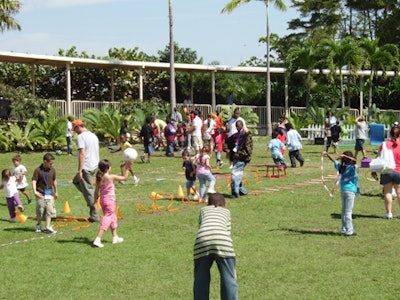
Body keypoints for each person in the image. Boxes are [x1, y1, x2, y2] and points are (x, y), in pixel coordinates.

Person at [193, 192, 238, 300]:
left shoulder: (203, 210)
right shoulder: (226, 212)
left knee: (201, 280)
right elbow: (227, 232)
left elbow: (201, 226)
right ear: (224, 205)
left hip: (203, 240)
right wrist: (232, 269)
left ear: (208, 204)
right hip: (223, 241)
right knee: (229, 279)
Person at [93, 159, 129, 248]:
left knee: (112, 217)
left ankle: (115, 237)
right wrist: (128, 168)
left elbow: (96, 191)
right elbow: (125, 178)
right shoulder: (110, 177)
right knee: (108, 217)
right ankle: (98, 238)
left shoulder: (99, 178)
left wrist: (94, 200)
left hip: (103, 200)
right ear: (107, 168)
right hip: (110, 201)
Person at [321, 150, 358, 236]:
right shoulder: (352, 167)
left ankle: (344, 229)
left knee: (344, 210)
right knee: (348, 211)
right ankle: (349, 231)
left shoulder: (341, 167)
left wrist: (327, 154)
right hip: (350, 191)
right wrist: (344, 157)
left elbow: (333, 160)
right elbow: (355, 160)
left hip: (343, 190)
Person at [72, 119, 100, 223]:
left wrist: (80, 170)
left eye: (75, 130)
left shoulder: (81, 137)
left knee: (88, 191)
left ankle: (94, 215)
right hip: (94, 165)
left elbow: (82, 153)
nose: (75, 132)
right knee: (76, 182)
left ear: (78, 127)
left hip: (86, 167)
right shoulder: (93, 135)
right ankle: (92, 194)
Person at [377, 123, 400, 219]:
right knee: (399, 192)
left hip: (387, 170)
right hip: (398, 171)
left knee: (388, 192)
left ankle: (389, 212)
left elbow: (378, 157)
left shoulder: (385, 144)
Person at [32, 153, 58, 233]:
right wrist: (35, 192)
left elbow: (54, 181)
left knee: (49, 209)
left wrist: (56, 191)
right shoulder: (38, 170)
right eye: (50, 163)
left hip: (49, 192)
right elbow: (34, 181)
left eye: (52, 163)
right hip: (40, 192)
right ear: (45, 162)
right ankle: (38, 224)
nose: (51, 165)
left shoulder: (52, 170)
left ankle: (47, 227)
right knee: (40, 210)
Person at [231, 120, 252, 198]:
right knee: (238, 174)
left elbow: (248, 150)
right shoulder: (236, 135)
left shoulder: (246, 135)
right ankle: (242, 190)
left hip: (242, 158)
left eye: (238, 126)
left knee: (235, 174)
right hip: (236, 157)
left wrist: (238, 154)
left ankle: (235, 192)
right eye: (236, 126)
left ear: (242, 125)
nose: (237, 128)